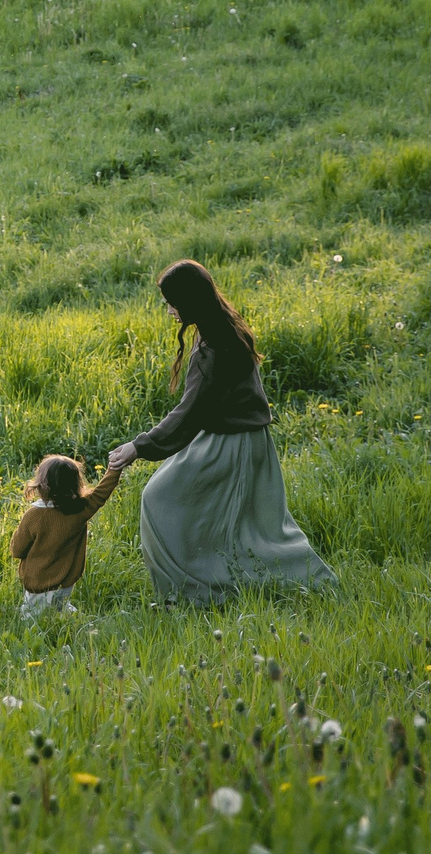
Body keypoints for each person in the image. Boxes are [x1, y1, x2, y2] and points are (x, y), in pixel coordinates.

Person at [105, 259, 332, 605]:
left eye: (172, 302)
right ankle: (205, 585)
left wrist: (139, 447)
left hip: (231, 444)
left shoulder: (214, 348)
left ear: (189, 301)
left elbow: (189, 412)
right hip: (235, 439)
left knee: (159, 498)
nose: (168, 311)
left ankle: (192, 591)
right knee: (238, 526)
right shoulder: (221, 326)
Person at [9, 452, 128, 620]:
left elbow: (17, 550)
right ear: (75, 484)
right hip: (66, 582)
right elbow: (102, 492)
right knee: (59, 610)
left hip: (38, 583)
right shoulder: (80, 509)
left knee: (33, 618)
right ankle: (69, 622)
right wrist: (115, 468)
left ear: (42, 484)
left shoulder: (34, 515)